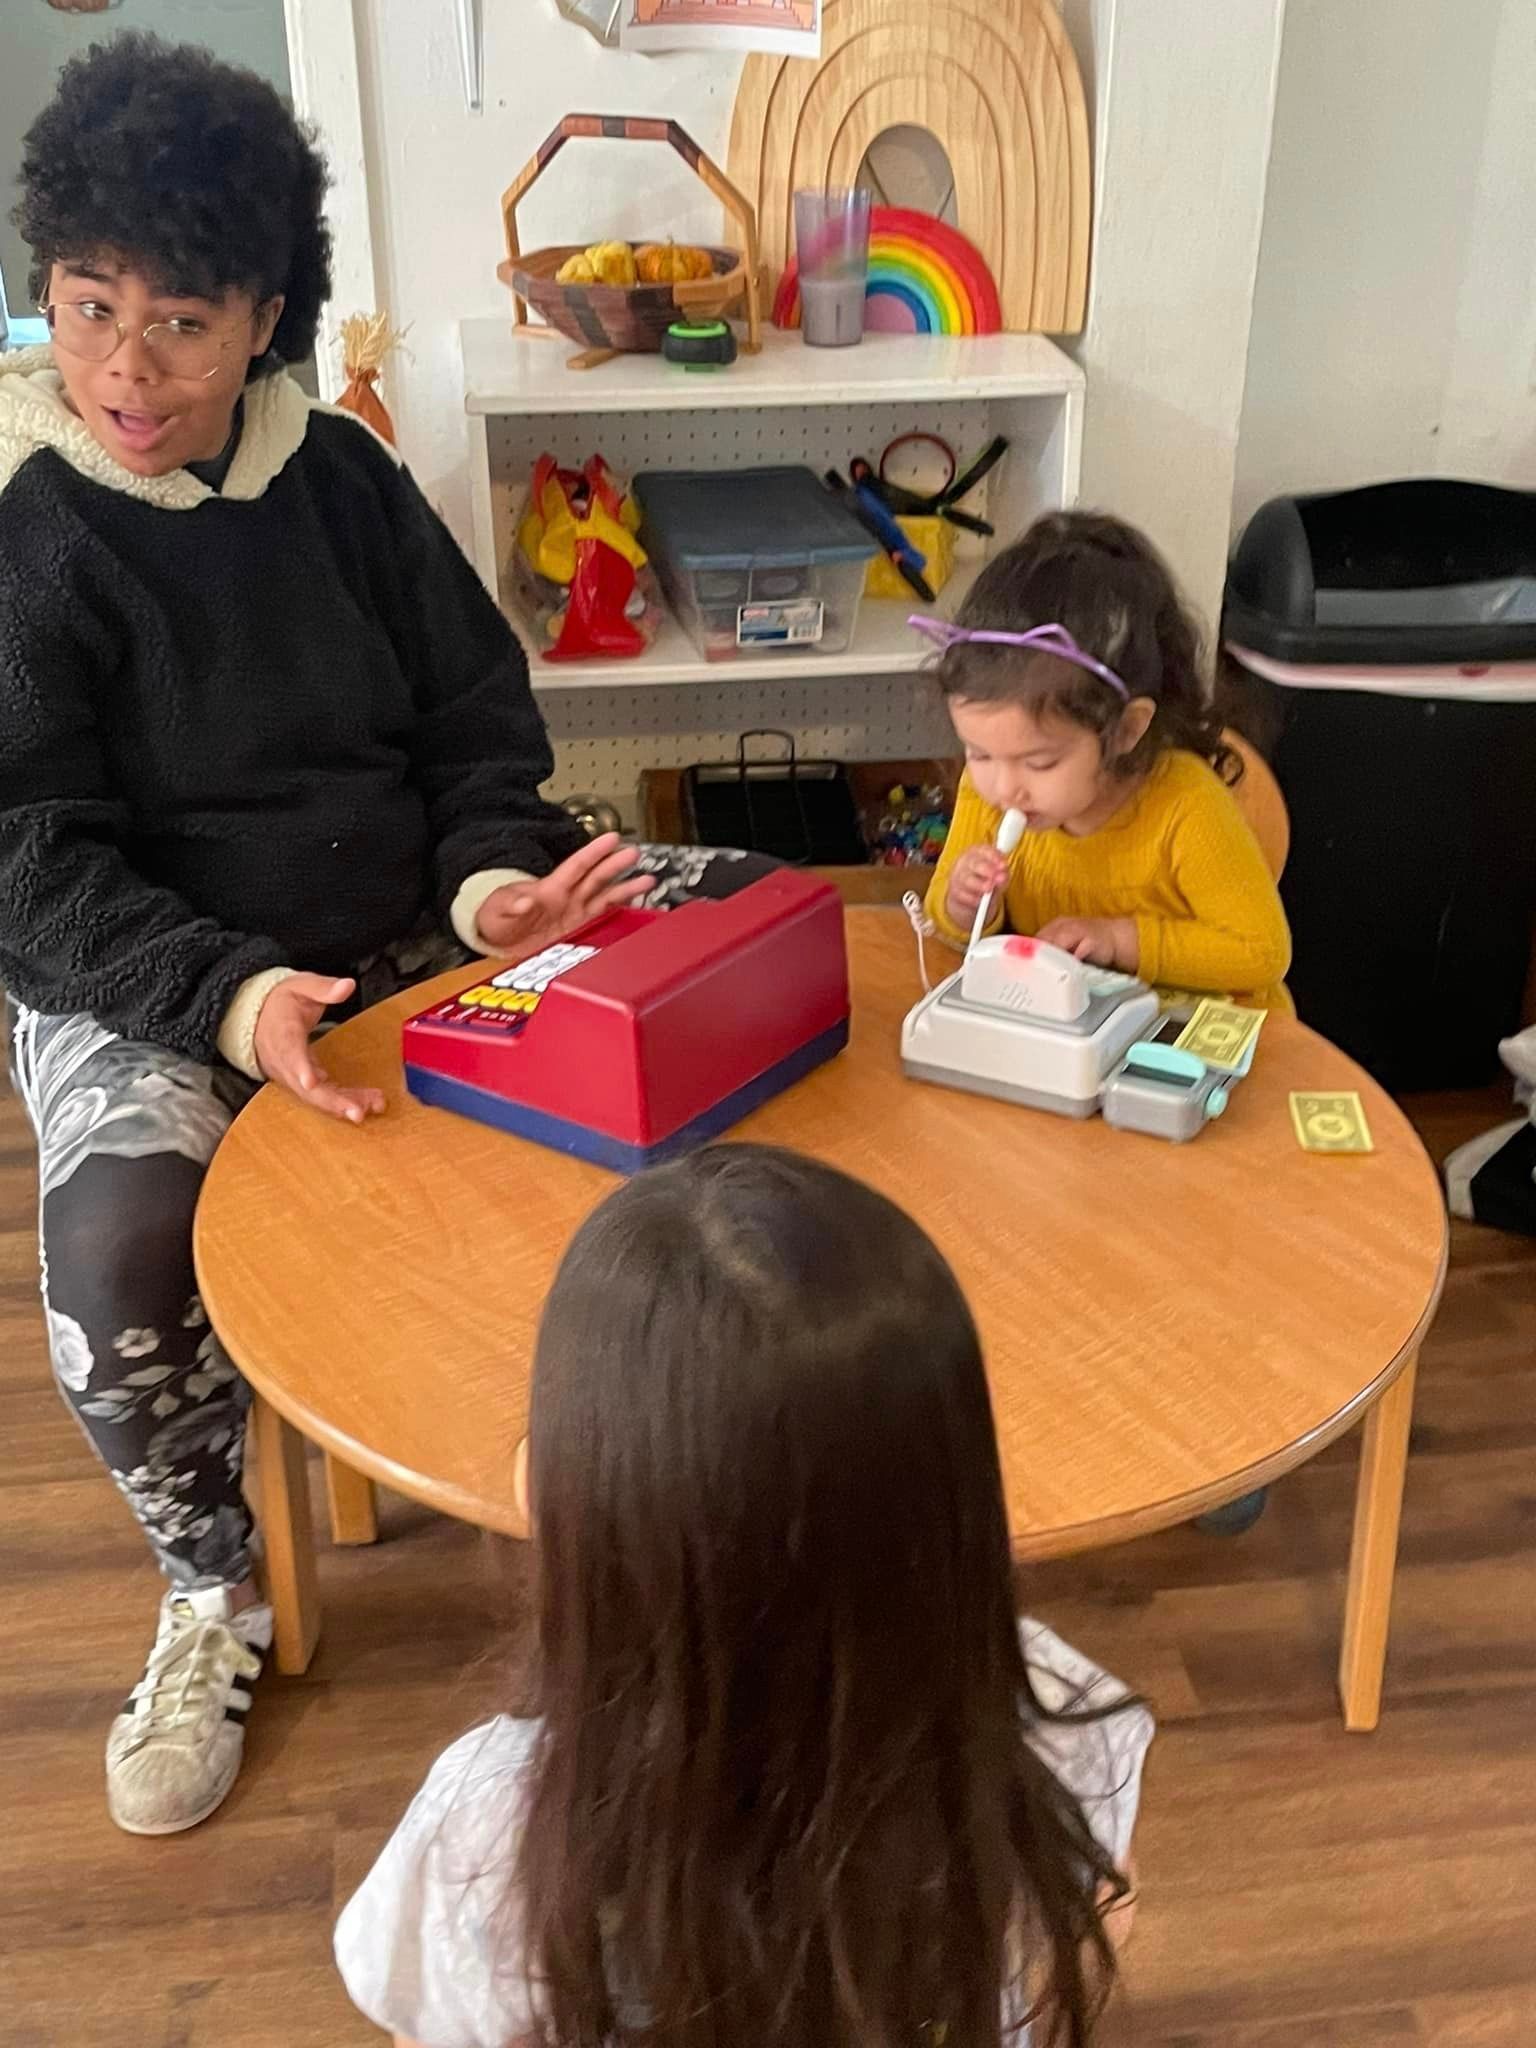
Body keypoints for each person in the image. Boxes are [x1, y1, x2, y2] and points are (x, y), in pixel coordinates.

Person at [0, 33, 770, 1836]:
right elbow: (25, 858)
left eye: (181, 321)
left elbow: (475, 726)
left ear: (264, 313)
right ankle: (212, 1584)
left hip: (412, 922)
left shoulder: (340, 478)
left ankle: (685, 1468)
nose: (126, 362)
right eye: (87, 304)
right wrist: (232, 996)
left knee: (740, 927)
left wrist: (495, 884)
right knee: (119, 1243)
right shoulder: (30, 533)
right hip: (161, 973)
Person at [335, 1145, 1153, 2048]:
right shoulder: (1074, 1723)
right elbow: (1090, 1935)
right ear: (950, 1491)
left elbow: (434, 2029)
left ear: (571, 1508)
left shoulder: (491, 1827)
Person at [918, 511, 1291, 1009]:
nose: (1006, 787)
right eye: (979, 753)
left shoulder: (1186, 806)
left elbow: (1262, 952)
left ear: (1126, 730)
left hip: (1205, 1044)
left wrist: (1121, 941)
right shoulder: (988, 789)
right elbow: (949, 926)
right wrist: (965, 904)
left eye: (1041, 763)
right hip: (1073, 1026)